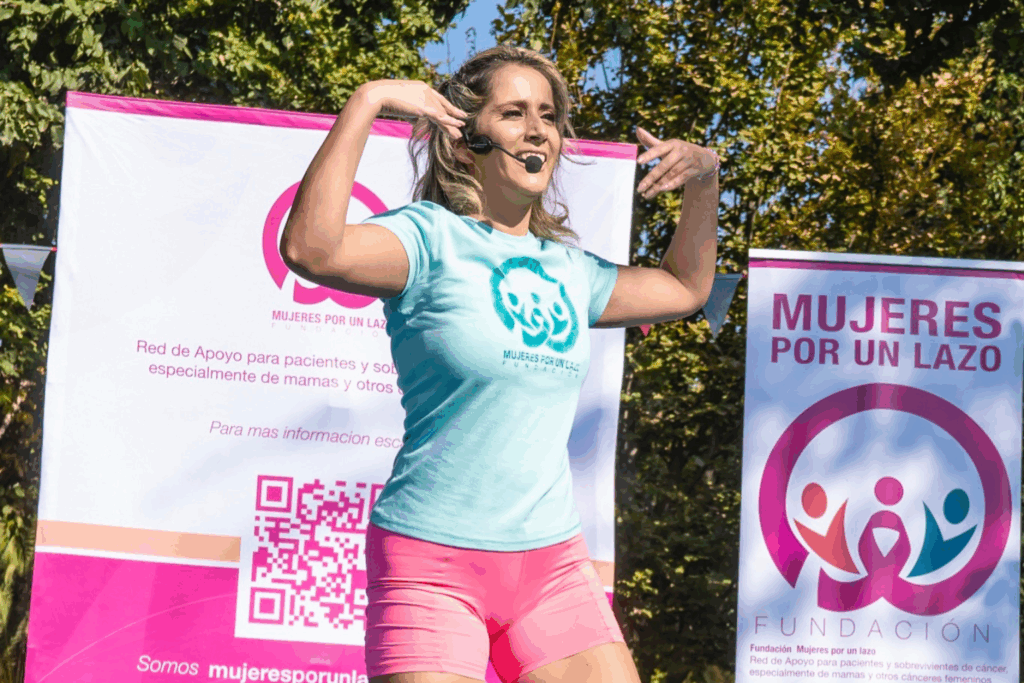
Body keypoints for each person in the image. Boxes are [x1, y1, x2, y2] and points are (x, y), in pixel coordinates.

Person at [280, 45, 719, 683]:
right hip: (430, 568)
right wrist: (368, 99)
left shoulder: (573, 272)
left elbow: (686, 288)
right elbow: (310, 248)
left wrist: (705, 176)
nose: (538, 129)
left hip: (553, 569)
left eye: (549, 115)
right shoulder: (426, 239)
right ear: (465, 143)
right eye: (513, 113)